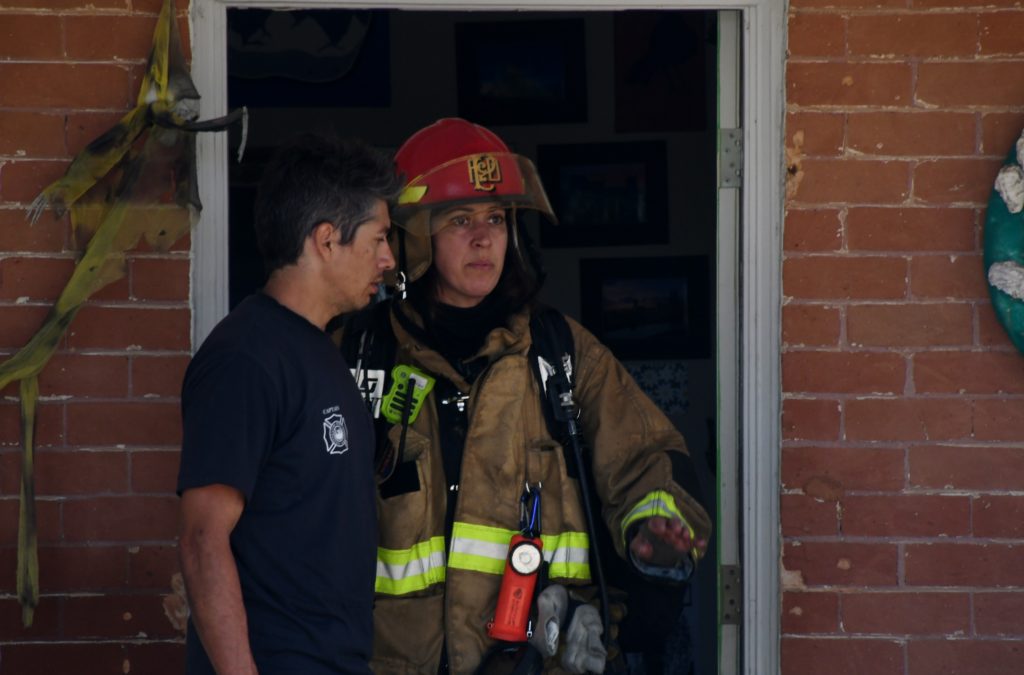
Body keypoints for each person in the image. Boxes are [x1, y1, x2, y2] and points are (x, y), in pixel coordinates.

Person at [338, 118, 712, 675]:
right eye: (460, 220)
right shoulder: (361, 353)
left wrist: (654, 534)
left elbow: (647, 457)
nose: (484, 238)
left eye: (495, 218)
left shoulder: (562, 352)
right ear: (413, 235)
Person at [176, 133, 403, 674]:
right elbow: (203, 539)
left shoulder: (321, 351)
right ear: (326, 240)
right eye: (378, 238)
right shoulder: (246, 358)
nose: (389, 259)